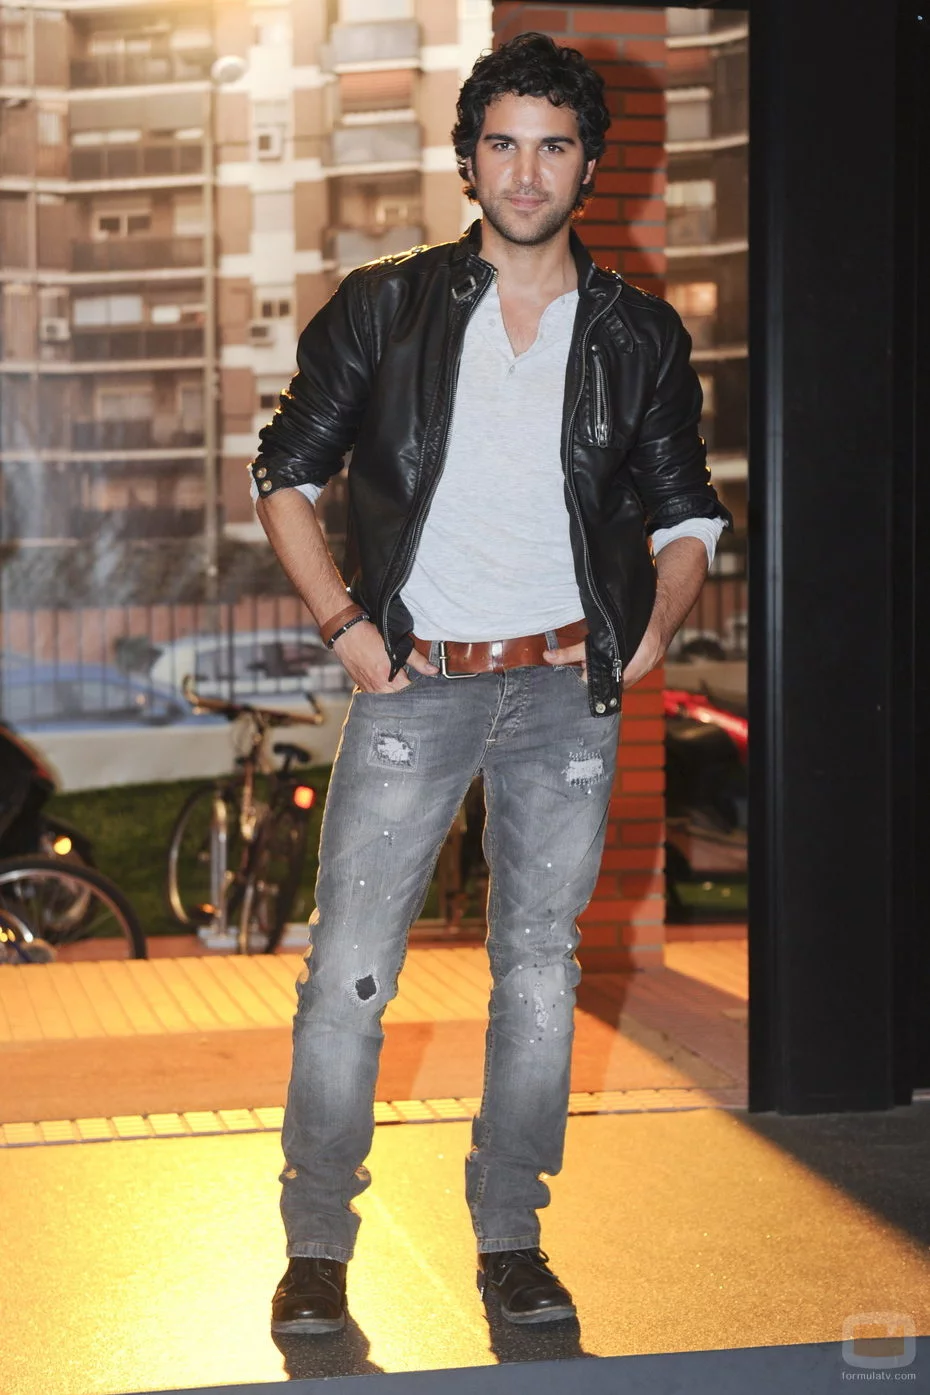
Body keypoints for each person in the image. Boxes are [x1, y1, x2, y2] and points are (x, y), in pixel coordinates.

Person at [252, 32, 731, 1334]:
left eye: (552, 146)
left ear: (588, 165)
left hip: (563, 693)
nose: (526, 171)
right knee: (350, 970)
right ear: (467, 161)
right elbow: (284, 473)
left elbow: (688, 514)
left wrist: (649, 630)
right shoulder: (387, 305)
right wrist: (347, 625)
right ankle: (316, 1246)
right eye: (502, 144)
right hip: (415, 682)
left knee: (538, 972)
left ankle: (511, 1235)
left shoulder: (637, 334)